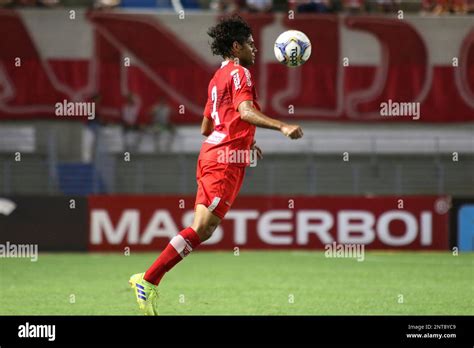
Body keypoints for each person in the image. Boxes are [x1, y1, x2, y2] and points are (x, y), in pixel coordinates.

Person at [128, 14, 304, 316]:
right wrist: (282, 125)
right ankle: (148, 279)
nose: (255, 49)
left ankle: (147, 279)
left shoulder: (217, 77)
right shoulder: (240, 74)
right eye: (249, 44)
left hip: (219, 155)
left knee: (206, 229)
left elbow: (206, 126)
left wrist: (246, 142)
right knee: (202, 227)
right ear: (235, 47)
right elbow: (245, 111)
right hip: (223, 161)